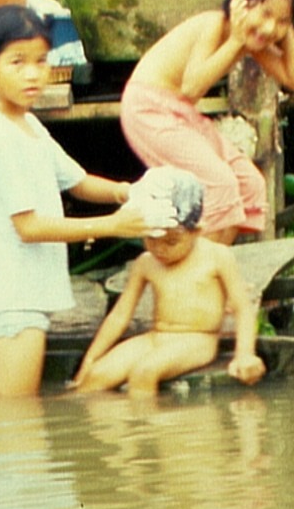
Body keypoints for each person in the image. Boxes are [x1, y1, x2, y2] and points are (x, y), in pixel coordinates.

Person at [0, 4, 153, 396]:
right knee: (16, 417)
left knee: (16, 414)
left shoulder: (26, 123)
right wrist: (113, 225)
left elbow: (77, 181)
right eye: (18, 62)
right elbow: (28, 227)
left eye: (41, 61)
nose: (33, 74)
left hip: (25, 291)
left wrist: (125, 191)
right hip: (12, 294)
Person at [120, 0, 294, 244]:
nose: (270, 28)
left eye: (282, 21)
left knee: (249, 184)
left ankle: (213, 266)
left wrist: (287, 31)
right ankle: (193, 276)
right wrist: (235, 39)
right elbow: (192, 87)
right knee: (219, 183)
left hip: (181, 113)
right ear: (242, 3)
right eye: (266, 14)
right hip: (148, 109)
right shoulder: (214, 24)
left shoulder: (253, 39)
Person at [70, 168, 265, 394]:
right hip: (156, 337)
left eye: (171, 241)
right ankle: (109, 428)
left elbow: (243, 308)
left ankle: (150, 429)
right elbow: (119, 316)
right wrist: (89, 361)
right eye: (151, 239)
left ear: (196, 231)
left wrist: (245, 355)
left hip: (198, 339)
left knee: (144, 372)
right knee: (94, 378)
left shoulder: (218, 256)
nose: (160, 249)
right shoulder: (146, 262)